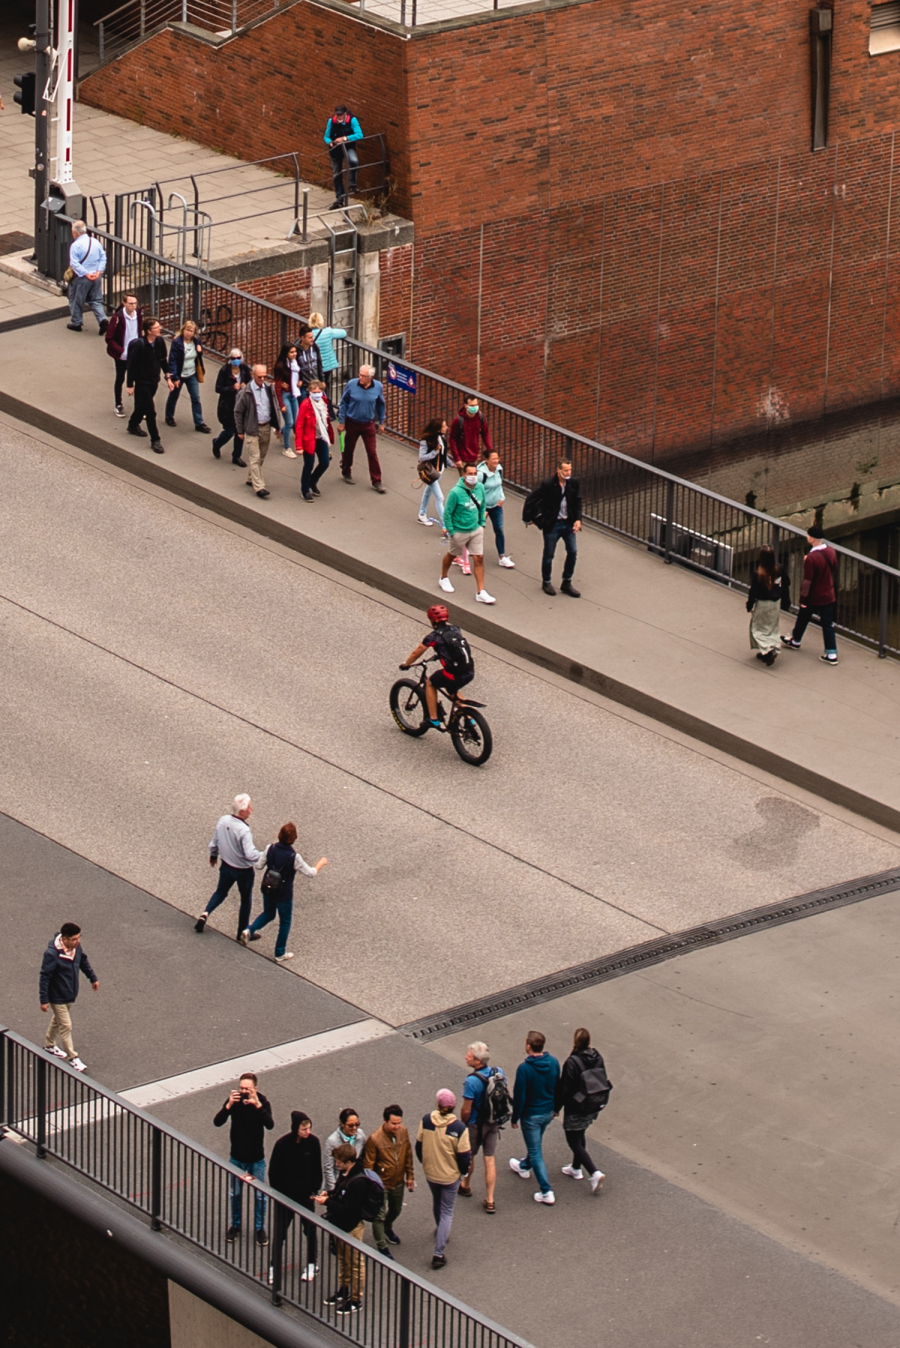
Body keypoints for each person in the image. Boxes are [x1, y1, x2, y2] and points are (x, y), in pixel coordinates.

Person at [240, 822, 327, 961]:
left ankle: (249, 930)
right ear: (294, 838)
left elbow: (258, 866)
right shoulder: (294, 857)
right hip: (283, 894)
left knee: (268, 913)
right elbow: (311, 873)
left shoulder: (270, 848)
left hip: (268, 888)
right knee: (285, 922)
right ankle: (279, 952)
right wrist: (320, 863)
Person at [213, 1072, 274, 1245]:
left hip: (256, 1158)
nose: (244, 1092)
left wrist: (257, 1105)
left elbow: (270, 1125)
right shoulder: (234, 1100)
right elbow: (217, 1122)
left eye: (247, 1089)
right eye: (241, 1088)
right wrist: (228, 1106)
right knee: (236, 1194)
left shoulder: (263, 1102)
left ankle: (260, 1229)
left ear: (255, 1088)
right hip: (237, 1157)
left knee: (260, 1196)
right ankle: (235, 1225)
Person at [416, 1089, 471, 1270]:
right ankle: (438, 1253)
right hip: (450, 1176)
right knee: (447, 1211)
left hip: (431, 1173)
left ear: (437, 1104)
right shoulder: (459, 1128)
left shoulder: (426, 1121)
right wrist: (463, 1173)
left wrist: (426, 1163)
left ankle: (440, 1230)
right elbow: (464, 1156)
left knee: (437, 1201)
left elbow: (419, 1146)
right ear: (454, 1106)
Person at [195, 793, 263, 939]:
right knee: (245, 899)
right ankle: (242, 932)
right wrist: (266, 855)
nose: (251, 810)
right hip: (243, 870)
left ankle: (206, 913)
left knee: (220, 892)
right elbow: (250, 854)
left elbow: (214, 842)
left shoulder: (223, 820)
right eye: (249, 808)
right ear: (242, 812)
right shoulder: (244, 830)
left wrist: (213, 855)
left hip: (226, 865)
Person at [400, 605, 475, 730]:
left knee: (431, 683)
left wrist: (406, 664)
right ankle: (469, 719)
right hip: (469, 671)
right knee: (452, 690)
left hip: (454, 674)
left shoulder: (433, 637)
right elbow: (453, 647)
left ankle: (433, 720)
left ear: (432, 620)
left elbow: (417, 652)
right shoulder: (455, 629)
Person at [269, 1110, 323, 1283]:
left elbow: (317, 1169)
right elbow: (274, 1172)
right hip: (285, 1197)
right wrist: (279, 1193)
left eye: (309, 1128)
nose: (308, 1132)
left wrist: (314, 1191)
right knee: (280, 1232)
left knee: (310, 1231)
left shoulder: (314, 1143)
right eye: (304, 1129)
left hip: (306, 1197)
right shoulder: (282, 1144)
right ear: (295, 1128)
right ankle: (274, 1265)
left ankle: (312, 1263)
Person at [314, 1142, 368, 1315]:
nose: (336, 1164)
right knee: (343, 1260)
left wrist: (328, 1202)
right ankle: (344, 1290)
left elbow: (349, 1209)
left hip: (351, 1227)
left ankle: (355, 1300)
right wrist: (329, 1194)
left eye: (338, 1161)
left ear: (348, 1161)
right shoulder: (346, 1174)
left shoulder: (358, 1182)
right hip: (341, 1226)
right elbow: (339, 1192)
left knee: (355, 1264)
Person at [509, 1029, 561, 1205]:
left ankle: (546, 1191)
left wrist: (515, 1117)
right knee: (535, 1145)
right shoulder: (553, 1062)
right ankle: (524, 1166)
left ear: (529, 1046)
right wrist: (556, 1108)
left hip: (531, 1115)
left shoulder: (524, 1069)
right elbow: (558, 1086)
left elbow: (520, 1096)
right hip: (548, 1111)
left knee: (535, 1150)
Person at [39, 922, 99, 1073]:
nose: (77, 942)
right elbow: (45, 976)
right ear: (64, 939)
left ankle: (49, 1045)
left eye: (79, 938)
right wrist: (44, 1000)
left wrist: (92, 978)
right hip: (56, 996)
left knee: (57, 1020)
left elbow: (83, 961)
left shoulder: (76, 947)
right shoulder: (52, 954)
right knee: (66, 1026)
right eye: (74, 939)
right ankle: (73, 1058)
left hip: (70, 993)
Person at [555, 1028, 608, 1195]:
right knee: (580, 1133)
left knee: (573, 1141)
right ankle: (576, 1168)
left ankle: (594, 1172)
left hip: (576, 1106)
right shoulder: (597, 1057)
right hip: (593, 1103)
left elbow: (564, 1089)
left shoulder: (572, 1062)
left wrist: (556, 1108)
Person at [523, 458, 583, 597]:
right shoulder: (548, 484)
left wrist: (578, 519)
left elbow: (577, 502)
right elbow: (533, 499)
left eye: (570, 470)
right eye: (565, 470)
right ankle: (546, 581)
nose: (568, 473)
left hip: (568, 523)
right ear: (558, 470)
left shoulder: (573, 483)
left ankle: (567, 582)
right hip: (553, 524)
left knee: (572, 551)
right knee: (549, 554)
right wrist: (532, 518)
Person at [459, 1041, 507, 1213]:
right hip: (493, 1122)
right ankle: (490, 1199)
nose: (466, 1057)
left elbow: (466, 1109)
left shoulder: (471, 1081)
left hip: (475, 1124)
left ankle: (466, 1185)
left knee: (470, 1156)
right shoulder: (498, 1072)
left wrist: (464, 1123)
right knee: (490, 1159)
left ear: (477, 1061)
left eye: (469, 1056)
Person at [781, 525, 839, 664]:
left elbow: (807, 581)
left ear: (812, 538)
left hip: (814, 596)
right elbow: (834, 567)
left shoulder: (811, 558)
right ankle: (831, 653)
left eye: (808, 535)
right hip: (828, 594)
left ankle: (796, 640)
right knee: (827, 624)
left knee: (803, 617)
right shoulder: (831, 551)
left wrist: (803, 599)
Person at [438, 464, 496, 603]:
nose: (473, 476)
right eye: (470, 473)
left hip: (476, 529)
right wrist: (451, 531)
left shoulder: (480, 487)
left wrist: (482, 523)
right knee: (452, 555)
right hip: (459, 530)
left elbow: (482, 505)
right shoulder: (455, 492)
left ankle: (480, 591)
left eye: (475, 473)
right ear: (464, 475)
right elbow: (447, 513)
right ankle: (443, 577)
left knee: (479, 558)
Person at [363, 1105, 415, 1258]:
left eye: (399, 1123)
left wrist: (410, 1175)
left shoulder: (403, 1132)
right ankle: (382, 1246)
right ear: (384, 1121)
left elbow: (408, 1153)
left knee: (396, 1210)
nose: (397, 1127)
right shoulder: (375, 1139)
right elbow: (368, 1166)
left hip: (398, 1181)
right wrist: (371, 1187)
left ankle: (387, 1227)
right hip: (381, 1184)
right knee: (379, 1216)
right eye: (393, 1123)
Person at [126, 316, 173, 454]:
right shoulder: (139, 345)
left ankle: (133, 424)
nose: (159, 329)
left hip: (154, 381)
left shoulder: (159, 342)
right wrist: (130, 384)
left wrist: (168, 377)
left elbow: (163, 360)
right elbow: (131, 366)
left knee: (142, 406)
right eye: (156, 327)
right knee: (150, 411)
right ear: (148, 331)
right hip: (142, 382)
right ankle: (155, 440)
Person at [234, 365, 280, 500]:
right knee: (255, 457)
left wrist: (277, 427)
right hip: (252, 428)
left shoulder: (269, 388)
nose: (262, 379)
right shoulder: (246, 392)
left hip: (266, 427)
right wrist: (240, 430)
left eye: (264, 376)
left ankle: (251, 478)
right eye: (260, 377)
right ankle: (259, 487)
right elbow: (238, 411)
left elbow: (274, 407)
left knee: (261, 456)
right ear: (253, 375)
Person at [337, 365, 386, 491]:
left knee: (372, 452)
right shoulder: (352, 384)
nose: (360, 378)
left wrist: (381, 422)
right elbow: (343, 403)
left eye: (363, 376)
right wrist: (341, 421)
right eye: (359, 374)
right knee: (349, 449)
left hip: (368, 424)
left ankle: (377, 481)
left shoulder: (378, 386)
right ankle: (346, 471)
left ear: (370, 377)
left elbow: (381, 405)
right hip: (352, 422)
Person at [747, 545, 791, 667]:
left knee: (757, 629)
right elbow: (787, 582)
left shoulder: (758, 574)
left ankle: (768, 650)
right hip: (775, 603)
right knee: (772, 627)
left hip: (762, 604)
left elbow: (753, 592)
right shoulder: (779, 569)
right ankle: (770, 649)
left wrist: (750, 605)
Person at [165, 319, 210, 432]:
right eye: (187, 330)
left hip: (191, 374)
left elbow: (198, 356)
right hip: (179, 374)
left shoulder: (196, 341)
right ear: (183, 330)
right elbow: (172, 361)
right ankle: (169, 416)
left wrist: (199, 351)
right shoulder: (177, 342)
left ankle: (199, 423)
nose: (189, 333)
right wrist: (174, 377)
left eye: (191, 331)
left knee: (196, 398)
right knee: (174, 396)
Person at [104, 291, 142, 417]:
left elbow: (139, 331)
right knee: (120, 378)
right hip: (122, 355)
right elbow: (109, 338)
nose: (133, 306)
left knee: (139, 380)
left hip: (136, 353)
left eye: (135, 303)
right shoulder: (117, 317)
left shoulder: (138, 314)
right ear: (124, 303)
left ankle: (139, 407)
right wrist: (121, 351)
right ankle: (118, 404)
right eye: (130, 303)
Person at [295, 380, 335, 501]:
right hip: (309, 439)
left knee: (325, 462)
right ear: (310, 392)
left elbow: (326, 421)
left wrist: (330, 437)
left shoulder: (324, 402)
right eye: (314, 392)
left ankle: (313, 481)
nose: (317, 394)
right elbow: (299, 425)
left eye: (319, 392)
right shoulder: (305, 405)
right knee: (309, 465)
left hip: (321, 437)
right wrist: (299, 446)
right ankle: (305, 490)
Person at [67, 220, 108, 334]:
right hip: (96, 276)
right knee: (96, 300)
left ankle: (76, 323)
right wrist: (98, 272)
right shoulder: (95, 242)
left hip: (82, 278)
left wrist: (86, 274)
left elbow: (75, 263)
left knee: (76, 299)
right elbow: (103, 258)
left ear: (75, 233)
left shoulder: (75, 245)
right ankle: (102, 319)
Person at [212, 350, 251, 463]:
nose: (236, 360)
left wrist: (245, 386)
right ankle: (217, 443)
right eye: (233, 358)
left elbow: (250, 383)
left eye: (238, 358)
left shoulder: (244, 369)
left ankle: (236, 456)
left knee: (240, 431)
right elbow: (218, 388)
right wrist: (231, 388)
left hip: (241, 405)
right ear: (230, 359)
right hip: (227, 407)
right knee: (229, 431)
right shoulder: (224, 370)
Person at [478, 450, 515, 568]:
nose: (496, 461)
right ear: (486, 460)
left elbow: (499, 485)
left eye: (497, 458)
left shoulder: (499, 469)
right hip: (482, 507)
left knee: (499, 529)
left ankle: (502, 557)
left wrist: (502, 497)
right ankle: (465, 551)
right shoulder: (480, 474)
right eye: (493, 459)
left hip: (496, 506)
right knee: (476, 530)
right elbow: (474, 491)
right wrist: (481, 508)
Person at [324, 105, 364, 208]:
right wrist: (330, 142)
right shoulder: (331, 121)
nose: (339, 116)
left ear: (345, 113)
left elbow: (359, 135)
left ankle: (352, 184)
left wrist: (345, 138)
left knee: (354, 161)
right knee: (336, 174)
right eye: (337, 114)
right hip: (336, 150)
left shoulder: (352, 120)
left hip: (348, 147)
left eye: (341, 114)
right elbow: (326, 136)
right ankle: (339, 199)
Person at [324, 1109, 368, 1192]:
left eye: (357, 1124)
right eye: (350, 1125)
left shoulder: (361, 1135)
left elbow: (364, 1157)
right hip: (338, 1183)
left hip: (354, 1183)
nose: (354, 1128)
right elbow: (328, 1169)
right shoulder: (332, 1141)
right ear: (342, 1124)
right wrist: (334, 1191)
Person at [309, 311, 347, 402]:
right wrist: (330, 329)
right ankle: (324, 402)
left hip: (314, 365)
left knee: (314, 385)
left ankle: (316, 401)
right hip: (327, 365)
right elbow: (343, 333)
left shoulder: (309, 334)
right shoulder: (328, 332)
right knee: (324, 384)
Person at [417, 418, 448, 527]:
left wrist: (451, 463)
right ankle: (446, 525)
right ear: (438, 429)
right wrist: (435, 451)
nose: (447, 428)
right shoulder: (426, 441)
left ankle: (422, 514)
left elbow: (443, 454)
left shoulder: (441, 438)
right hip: (431, 472)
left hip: (439, 471)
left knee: (427, 493)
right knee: (440, 498)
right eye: (444, 426)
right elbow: (422, 457)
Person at [449, 395, 493, 468]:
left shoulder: (480, 417)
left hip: (475, 456)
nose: (475, 407)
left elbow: (485, 434)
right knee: (467, 475)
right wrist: (457, 458)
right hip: (462, 457)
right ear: (466, 406)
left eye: (476, 405)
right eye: (472, 405)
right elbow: (452, 439)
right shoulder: (458, 420)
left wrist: (490, 450)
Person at [273, 342, 301, 458]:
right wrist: (281, 404)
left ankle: (280, 431)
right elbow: (277, 385)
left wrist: (301, 381)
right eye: (291, 352)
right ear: (286, 353)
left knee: (295, 421)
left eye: (295, 351)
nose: (294, 354)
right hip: (285, 395)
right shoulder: (280, 366)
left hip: (294, 394)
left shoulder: (295, 363)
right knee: (289, 422)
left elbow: (299, 374)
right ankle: (286, 448)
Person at [295, 325, 326, 401]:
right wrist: (300, 379)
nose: (313, 339)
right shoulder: (296, 350)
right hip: (304, 386)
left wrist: (322, 380)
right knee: (304, 405)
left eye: (313, 336)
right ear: (302, 338)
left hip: (316, 384)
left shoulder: (315, 347)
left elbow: (319, 364)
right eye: (310, 337)